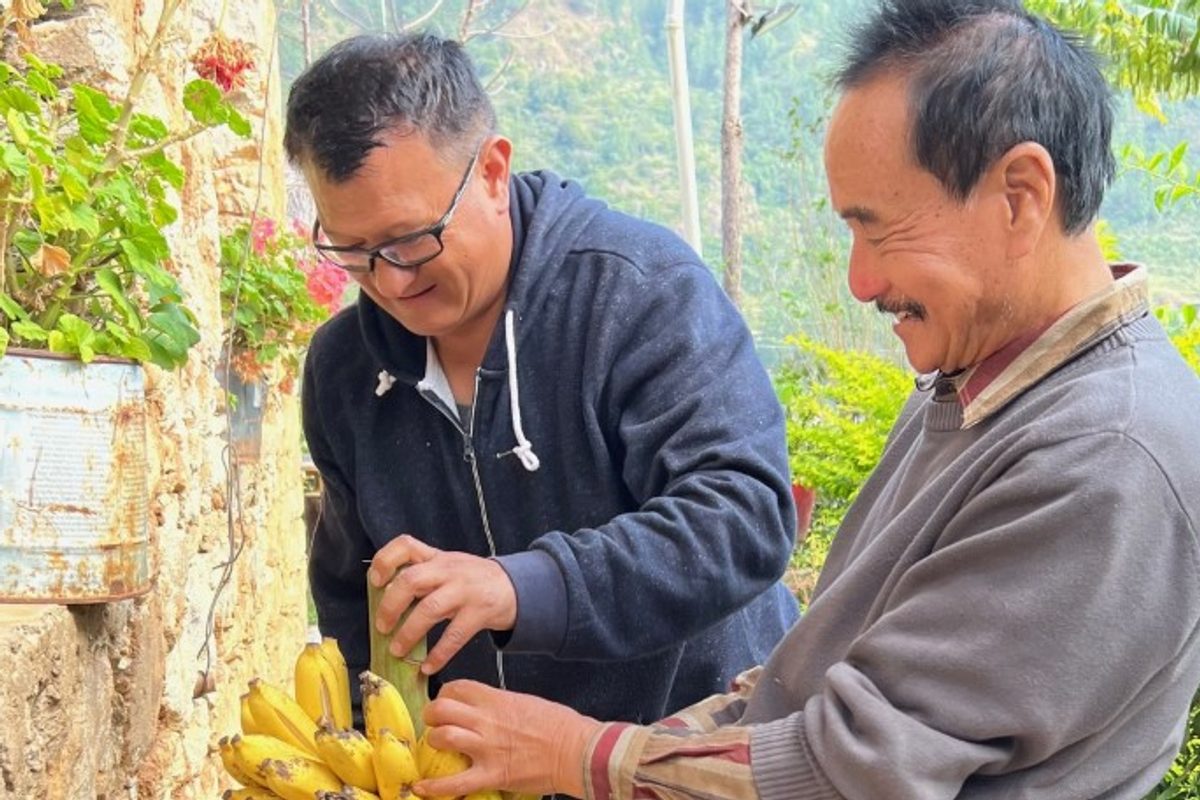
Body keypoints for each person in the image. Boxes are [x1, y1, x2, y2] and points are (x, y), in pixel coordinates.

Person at [411, 1, 1200, 798]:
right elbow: (830, 672)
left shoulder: (1105, 455)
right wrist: (653, 744)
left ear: (1020, 196)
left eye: (879, 229)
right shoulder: (973, 390)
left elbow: (858, 767)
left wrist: (586, 755)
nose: (861, 282)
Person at [285, 33, 801, 731]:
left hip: (691, 750)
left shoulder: (641, 293)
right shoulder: (344, 372)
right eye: (352, 251)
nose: (391, 280)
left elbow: (742, 518)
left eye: (414, 239)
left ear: (494, 172)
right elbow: (351, 598)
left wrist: (519, 586)